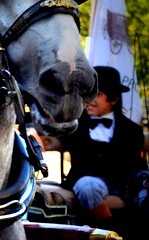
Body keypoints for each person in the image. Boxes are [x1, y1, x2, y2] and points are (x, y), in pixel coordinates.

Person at [41, 65, 147, 223]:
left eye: (97, 95)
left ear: (114, 99)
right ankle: (105, 234)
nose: (89, 101)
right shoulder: (74, 125)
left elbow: (135, 168)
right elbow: (50, 138)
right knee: (88, 185)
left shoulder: (131, 130)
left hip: (119, 187)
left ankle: (114, 234)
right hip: (82, 184)